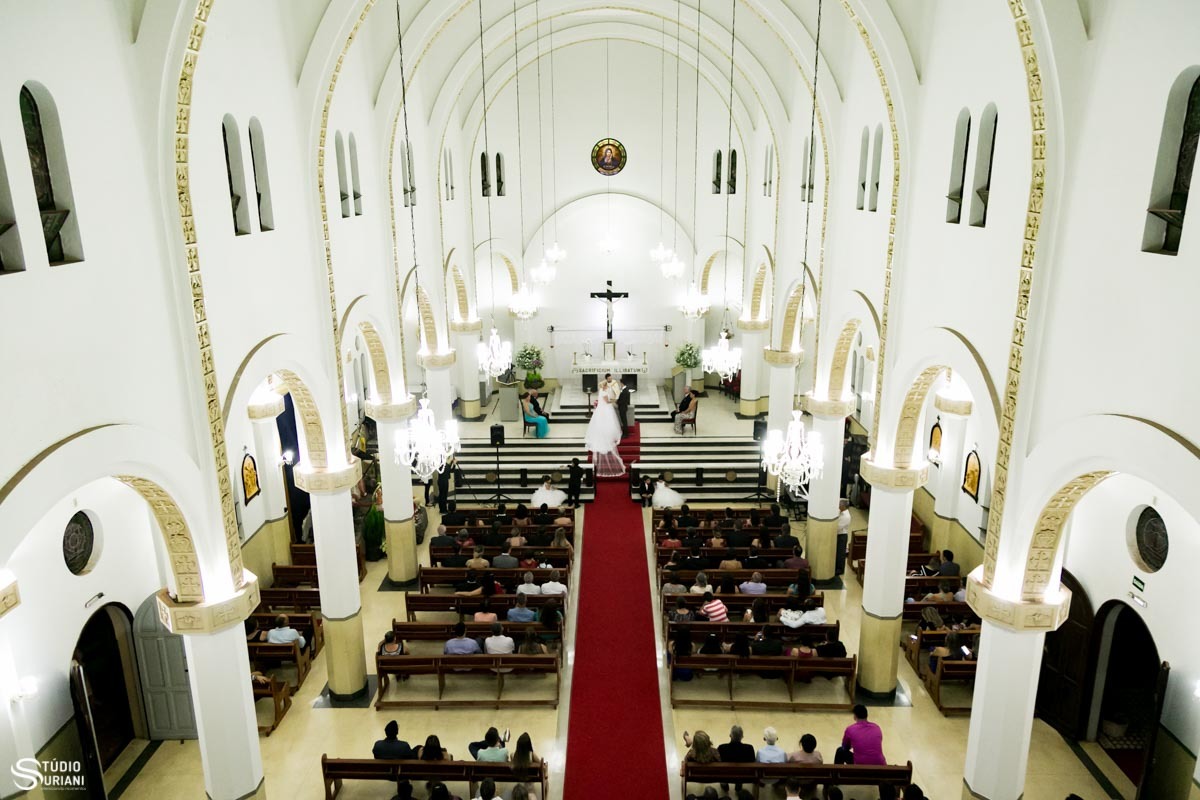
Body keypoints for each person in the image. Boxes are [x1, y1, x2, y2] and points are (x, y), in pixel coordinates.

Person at [586, 374, 625, 476]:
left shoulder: (603, 391)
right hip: (605, 409)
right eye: (606, 385)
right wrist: (613, 401)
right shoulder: (603, 392)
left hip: (603, 408)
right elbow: (607, 401)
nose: (607, 386)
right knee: (608, 422)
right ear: (604, 386)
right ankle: (607, 433)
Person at [717, 725, 756, 794]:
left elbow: (717, 762)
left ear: (730, 735)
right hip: (743, 776)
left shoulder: (721, 748)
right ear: (742, 736)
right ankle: (739, 784)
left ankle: (724, 784)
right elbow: (753, 762)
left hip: (725, 776)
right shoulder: (749, 748)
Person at [835, 498, 852, 576]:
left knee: (840, 553)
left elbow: (838, 527)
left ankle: (840, 570)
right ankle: (836, 567)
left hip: (842, 536)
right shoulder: (840, 512)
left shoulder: (846, 516)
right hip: (838, 535)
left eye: (839, 504)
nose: (838, 505)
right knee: (837, 552)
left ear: (843, 506)